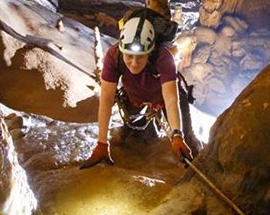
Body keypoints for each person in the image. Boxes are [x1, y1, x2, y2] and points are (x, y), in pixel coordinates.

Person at [80, 12, 193, 168]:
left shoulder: (163, 58)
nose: (134, 63)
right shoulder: (114, 56)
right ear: (121, 49)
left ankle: (189, 156)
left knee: (186, 136)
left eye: (141, 56)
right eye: (129, 56)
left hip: (162, 96)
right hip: (135, 95)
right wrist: (101, 143)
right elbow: (106, 99)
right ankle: (138, 136)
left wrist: (177, 135)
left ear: (150, 52)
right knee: (133, 125)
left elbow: (171, 99)